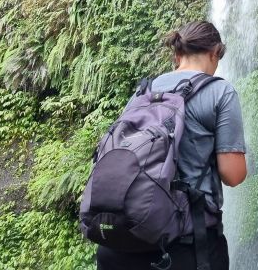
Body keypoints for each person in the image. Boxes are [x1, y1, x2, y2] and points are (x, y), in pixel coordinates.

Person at [97, 20, 247, 270]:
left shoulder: (143, 92)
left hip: (122, 241)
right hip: (186, 246)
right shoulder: (220, 91)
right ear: (215, 53)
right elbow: (232, 175)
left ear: (177, 55)